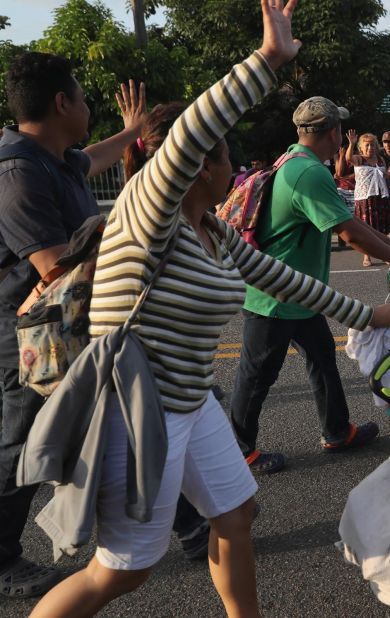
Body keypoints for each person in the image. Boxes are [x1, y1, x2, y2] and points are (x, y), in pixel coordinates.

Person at [29, 3, 390, 616]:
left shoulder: (212, 230)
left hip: (189, 400)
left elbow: (286, 280)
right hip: (136, 412)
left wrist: (370, 316)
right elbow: (187, 133)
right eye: (228, 157)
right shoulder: (149, 215)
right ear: (203, 165)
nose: (238, 168)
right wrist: (268, 62)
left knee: (236, 516)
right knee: (121, 573)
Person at [0, 55, 170, 598]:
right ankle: (2, 558)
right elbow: (55, 270)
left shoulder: (54, 157)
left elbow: (94, 159)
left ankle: (191, 524)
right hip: (29, 341)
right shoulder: (17, 171)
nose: (88, 104)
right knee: (17, 446)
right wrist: (127, 242)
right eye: (81, 94)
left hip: (71, 328)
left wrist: (130, 133)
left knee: (120, 419)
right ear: (61, 103)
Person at [231, 101, 390, 475]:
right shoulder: (308, 174)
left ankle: (337, 431)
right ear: (334, 133)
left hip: (300, 293)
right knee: (257, 373)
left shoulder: (294, 161)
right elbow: (349, 233)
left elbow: (346, 220)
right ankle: (238, 449)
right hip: (276, 295)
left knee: (322, 358)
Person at [347, 130, 390, 267]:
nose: (370, 148)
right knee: (366, 229)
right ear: (361, 147)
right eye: (366, 145)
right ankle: (367, 256)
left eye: (372, 145)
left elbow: (385, 177)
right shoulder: (359, 159)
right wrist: (351, 144)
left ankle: (385, 255)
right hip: (364, 199)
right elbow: (348, 158)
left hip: (380, 197)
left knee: (381, 229)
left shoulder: (380, 159)